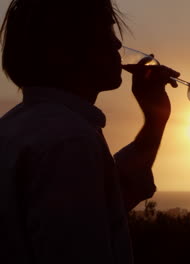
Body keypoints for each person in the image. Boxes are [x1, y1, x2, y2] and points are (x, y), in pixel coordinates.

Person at [0, 0, 179, 263]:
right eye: (107, 33)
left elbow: (108, 201)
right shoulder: (70, 141)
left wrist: (155, 120)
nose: (118, 44)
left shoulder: (15, 127)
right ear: (67, 49)